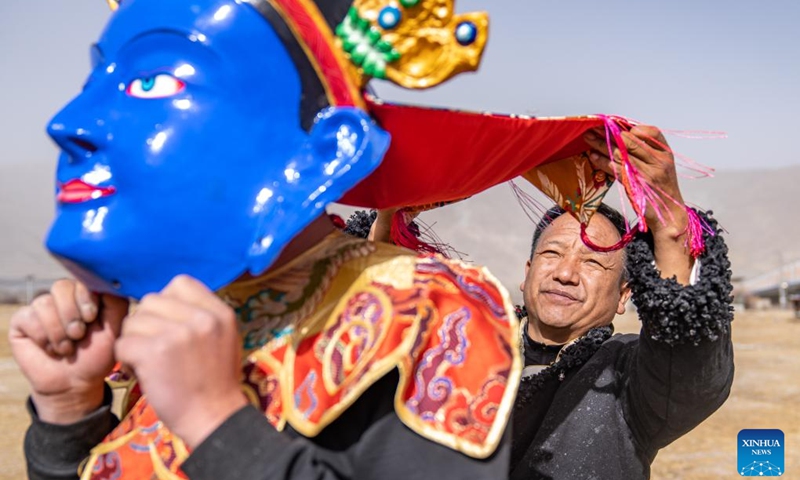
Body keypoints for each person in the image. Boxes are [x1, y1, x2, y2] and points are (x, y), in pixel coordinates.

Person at [11, 0, 521, 478]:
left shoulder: (426, 315)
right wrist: (69, 414)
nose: (68, 123)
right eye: (96, 80)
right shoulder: (173, 319)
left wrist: (216, 423)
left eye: (151, 82)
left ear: (323, 152)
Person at [509, 126, 735, 479]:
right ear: (527, 272)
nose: (565, 273)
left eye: (593, 262)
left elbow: (687, 364)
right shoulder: (465, 350)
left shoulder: (626, 376)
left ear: (623, 295)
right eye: (552, 253)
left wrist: (670, 227)